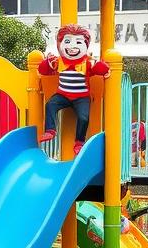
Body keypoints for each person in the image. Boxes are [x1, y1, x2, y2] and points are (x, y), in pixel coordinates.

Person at [37, 24, 109, 156]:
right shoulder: (59, 61)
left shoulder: (87, 62)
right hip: (62, 95)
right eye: (67, 41)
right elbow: (43, 70)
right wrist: (47, 62)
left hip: (81, 97)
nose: (72, 46)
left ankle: (79, 141)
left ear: (86, 45)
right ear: (60, 44)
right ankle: (50, 130)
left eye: (78, 42)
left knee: (84, 118)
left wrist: (102, 67)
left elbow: (101, 69)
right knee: (50, 105)